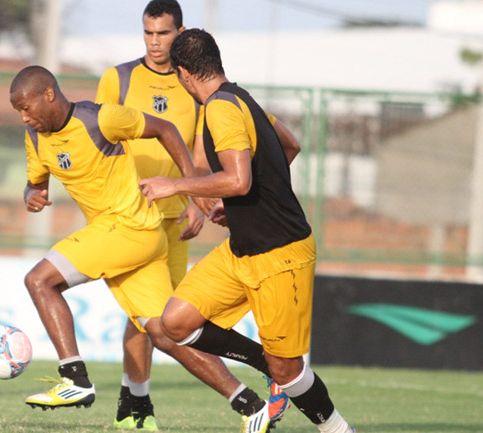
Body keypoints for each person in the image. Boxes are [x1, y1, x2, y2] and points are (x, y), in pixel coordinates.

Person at [11, 65, 287, 433]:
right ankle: (251, 406)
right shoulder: (35, 138)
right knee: (165, 332)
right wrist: (33, 195)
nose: (24, 117)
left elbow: (166, 129)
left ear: (48, 94)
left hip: (128, 228)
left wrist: (189, 186)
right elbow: (35, 183)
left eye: (26, 107)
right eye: (19, 112)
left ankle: (74, 378)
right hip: (132, 239)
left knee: (40, 281)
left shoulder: (101, 119)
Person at [139, 29, 356, 433]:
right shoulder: (242, 98)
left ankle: (339, 430)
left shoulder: (221, 109)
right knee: (176, 322)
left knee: (289, 371)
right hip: (241, 251)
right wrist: (239, 204)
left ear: (185, 74)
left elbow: (238, 179)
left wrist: (177, 185)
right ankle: (264, 366)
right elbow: (289, 146)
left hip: (280, 254)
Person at [96, 1, 292, 430]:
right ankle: (138, 407)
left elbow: (203, 156)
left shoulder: (201, 92)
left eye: (162, 33)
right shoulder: (119, 78)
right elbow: (101, 139)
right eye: (147, 33)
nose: (153, 42)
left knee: (159, 316)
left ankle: (137, 408)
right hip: (132, 216)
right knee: (149, 317)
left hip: (176, 218)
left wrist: (196, 203)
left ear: (179, 34)